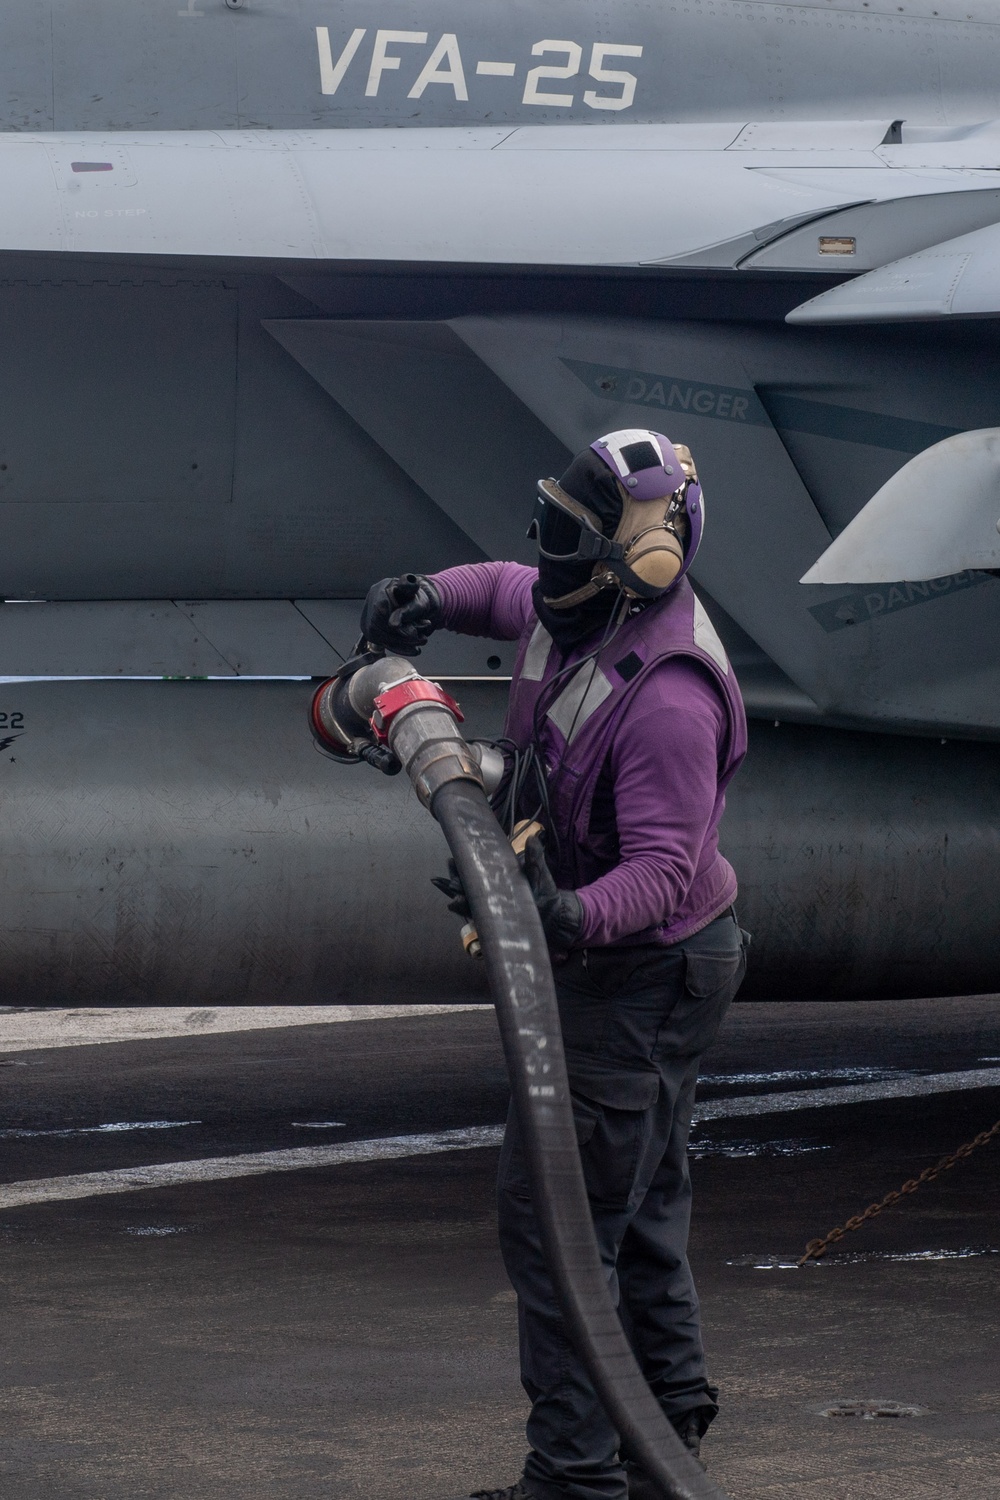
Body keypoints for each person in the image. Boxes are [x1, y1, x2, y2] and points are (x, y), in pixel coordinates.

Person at [359, 429, 749, 1500]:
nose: (543, 558)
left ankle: (576, 1481)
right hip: (649, 966)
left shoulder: (668, 696)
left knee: (559, 1228)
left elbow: (664, 872)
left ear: (643, 561)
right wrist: (424, 596)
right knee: (640, 1212)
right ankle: (661, 1437)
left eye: (566, 537)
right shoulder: (576, 602)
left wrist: (559, 913)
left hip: (645, 970)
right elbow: (504, 589)